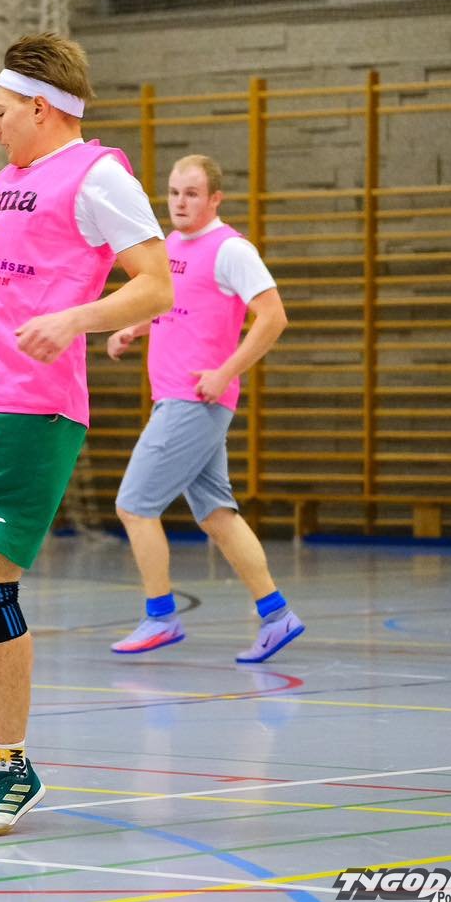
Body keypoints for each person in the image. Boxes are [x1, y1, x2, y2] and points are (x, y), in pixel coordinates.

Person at [0, 32, 172, 838]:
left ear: (41, 108)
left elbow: (155, 286)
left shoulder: (99, 176)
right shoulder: (6, 181)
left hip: (29, 408)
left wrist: (75, 319)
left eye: (0, 111)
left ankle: (12, 766)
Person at [107, 154, 298, 662]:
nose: (180, 202)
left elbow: (273, 317)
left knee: (134, 506)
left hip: (193, 401)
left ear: (214, 199)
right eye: (174, 192)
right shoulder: (170, 247)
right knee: (216, 515)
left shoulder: (231, 249)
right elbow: (175, 305)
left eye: (191, 193)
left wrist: (226, 371)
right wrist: (134, 328)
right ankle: (277, 615)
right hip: (177, 399)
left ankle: (160, 617)